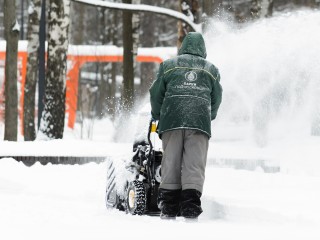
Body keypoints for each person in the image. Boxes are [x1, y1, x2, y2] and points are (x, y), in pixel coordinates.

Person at [149, 32, 223, 220]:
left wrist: (158, 115)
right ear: (203, 49)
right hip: (199, 123)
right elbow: (216, 98)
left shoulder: (168, 66)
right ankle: (190, 207)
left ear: (183, 47)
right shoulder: (211, 69)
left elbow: (156, 94)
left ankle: (169, 207)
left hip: (171, 121)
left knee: (170, 162)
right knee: (194, 164)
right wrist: (209, 116)